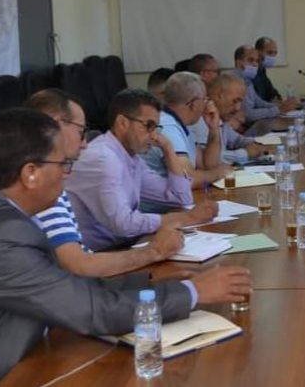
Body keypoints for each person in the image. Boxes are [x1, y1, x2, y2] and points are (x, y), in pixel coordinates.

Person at [0, 109, 252, 387]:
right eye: (64, 164)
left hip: (24, 357)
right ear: (30, 173)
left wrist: (150, 284)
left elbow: (61, 285)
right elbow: (90, 310)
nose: (68, 174)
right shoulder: (0, 234)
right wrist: (194, 292)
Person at [25, 89, 183, 277]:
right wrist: (154, 251)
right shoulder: (41, 186)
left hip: (91, 266)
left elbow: (179, 197)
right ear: (54, 125)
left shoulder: (51, 183)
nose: (85, 144)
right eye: (81, 132)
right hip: (82, 274)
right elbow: (78, 265)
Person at [66, 89, 217, 252]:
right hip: (97, 255)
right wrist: (186, 217)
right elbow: (124, 224)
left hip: (121, 246)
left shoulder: (131, 157)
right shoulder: (103, 158)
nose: (154, 136)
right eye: (149, 126)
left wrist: (168, 148)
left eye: (156, 128)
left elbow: (181, 198)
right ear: (122, 123)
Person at [140, 72, 229, 213]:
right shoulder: (167, 126)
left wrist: (214, 129)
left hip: (172, 207)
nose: (207, 104)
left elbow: (206, 164)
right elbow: (188, 179)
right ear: (194, 104)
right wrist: (218, 173)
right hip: (155, 214)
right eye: (205, 99)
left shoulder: (178, 123)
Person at [192, 73, 267, 165]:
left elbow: (238, 140)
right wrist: (245, 154)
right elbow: (208, 160)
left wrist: (255, 146)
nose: (238, 108)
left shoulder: (220, 118)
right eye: (235, 101)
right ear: (219, 95)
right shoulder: (199, 119)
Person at [234, 45, 298, 125]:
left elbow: (260, 103)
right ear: (239, 64)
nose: (255, 64)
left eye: (257, 61)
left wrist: (280, 105)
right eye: (251, 60)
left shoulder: (247, 79)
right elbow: (247, 115)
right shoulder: (234, 83)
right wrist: (278, 110)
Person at [254, 36, 282, 102]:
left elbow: (272, 93)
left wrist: (277, 99)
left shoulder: (262, 71)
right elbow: (256, 102)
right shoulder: (251, 72)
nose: (272, 56)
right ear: (257, 52)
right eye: (269, 52)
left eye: (275, 53)